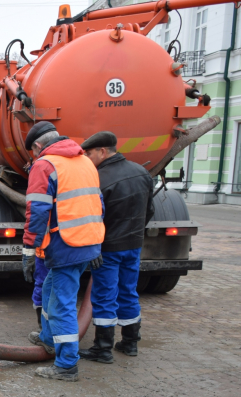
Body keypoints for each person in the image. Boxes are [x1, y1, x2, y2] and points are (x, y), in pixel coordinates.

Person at [22, 121, 105, 382]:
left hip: (66, 245)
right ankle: (48, 338)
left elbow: (36, 211)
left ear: (37, 146)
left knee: (61, 305)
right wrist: (96, 244)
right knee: (49, 290)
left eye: (33, 152)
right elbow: (97, 204)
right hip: (86, 242)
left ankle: (67, 365)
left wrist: (28, 249)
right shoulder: (84, 162)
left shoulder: (45, 165)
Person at [78, 131, 154, 361]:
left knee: (104, 295)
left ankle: (102, 349)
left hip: (108, 248)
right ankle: (130, 343)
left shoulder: (98, 178)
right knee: (129, 292)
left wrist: (91, 247)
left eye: (89, 154)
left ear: (103, 151)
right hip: (134, 245)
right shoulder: (141, 172)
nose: (87, 159)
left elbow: (93, 218)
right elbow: (149, 210)